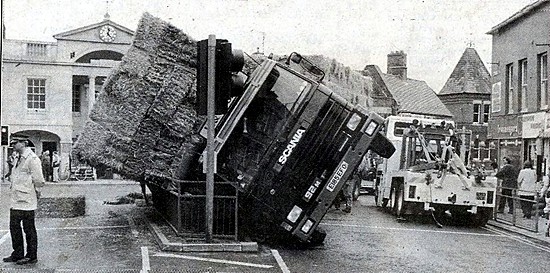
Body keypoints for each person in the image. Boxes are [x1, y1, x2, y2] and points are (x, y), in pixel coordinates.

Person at [3, 135, 45, 265]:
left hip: (27, 200)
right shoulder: (18, 158)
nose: (13, 145)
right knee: (14, 227)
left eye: (15, 143)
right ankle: (18, 253)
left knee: (29, 229)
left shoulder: (32, 159)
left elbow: (39, 180)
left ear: (23, 143)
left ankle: (31, 256)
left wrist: (37, 192)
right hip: (16, 199)